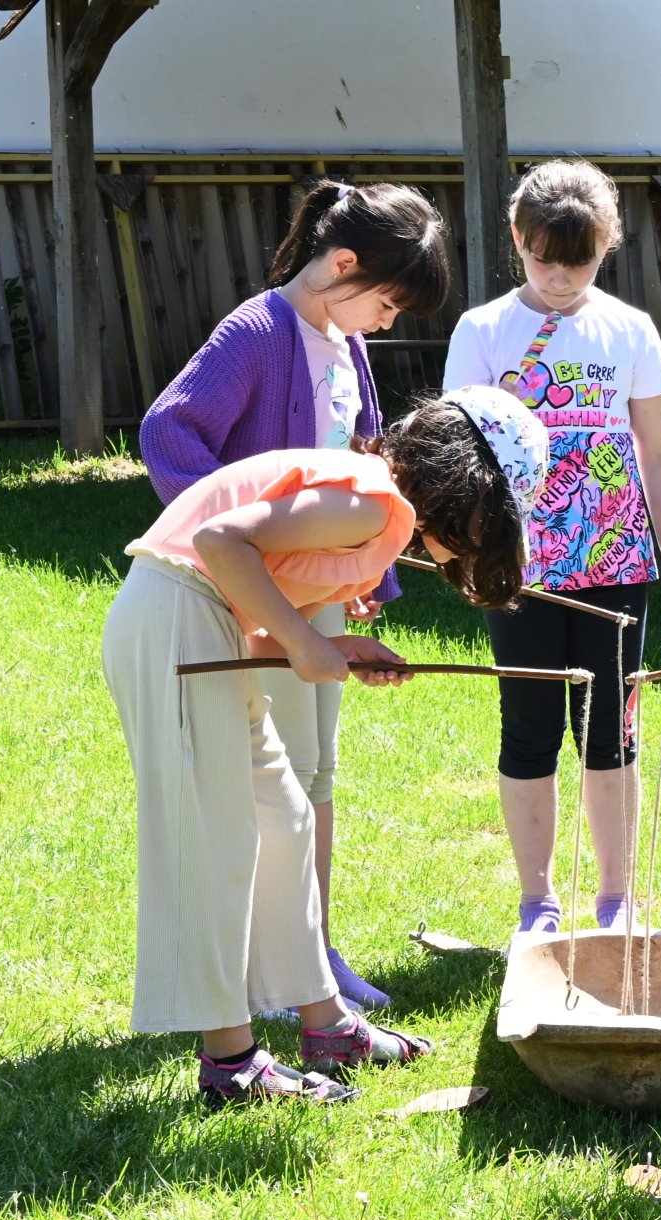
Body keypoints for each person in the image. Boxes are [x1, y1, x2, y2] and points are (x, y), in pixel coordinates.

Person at [103, 389, 548, 1106]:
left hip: (201, 629)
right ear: (460, 484)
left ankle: (325, 1022)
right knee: (219, 842)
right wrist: (305, 640)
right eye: (485, 521)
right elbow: (219, 544)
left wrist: (328, 644)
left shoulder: (374, 520)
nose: (477, 542)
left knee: (284, 822)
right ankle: (230, 1062)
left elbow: (253, 625)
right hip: (174, 622)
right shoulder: (371, 500)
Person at [139, 180, 451, 1011]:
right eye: (385, 302)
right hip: (252, 595)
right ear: (342, 264)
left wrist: (367, 578)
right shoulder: (256, 330)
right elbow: (169, 431)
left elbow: (361, 463)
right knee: (267, 790)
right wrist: (226, 544)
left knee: (316, 775)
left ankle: (313, 952)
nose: (386, 322)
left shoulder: (344, 344)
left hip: (307, 591)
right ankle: (275, 970)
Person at [442, 159, 661, 935]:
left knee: (610, 726)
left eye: (578, 260)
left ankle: (617, 899)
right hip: (518, 567)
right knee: (527, 723)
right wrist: (464, 549)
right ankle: (536, 902)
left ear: (607, 246)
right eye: (543, 257)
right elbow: (458, 451)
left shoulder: (628, 329)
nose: (558, 277)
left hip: (616, 560)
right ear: (517, 239)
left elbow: (657, 449)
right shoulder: (483, 330)